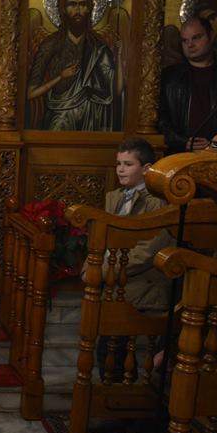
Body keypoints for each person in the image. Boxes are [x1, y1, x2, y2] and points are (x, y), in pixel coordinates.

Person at [95, 137, 173, 382]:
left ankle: (121, 398)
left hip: (140, 285)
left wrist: (103, 270)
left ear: (146, 168)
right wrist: (91, 266)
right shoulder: (115, 197)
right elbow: (100, 240)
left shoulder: (157, 203)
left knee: (111, 348)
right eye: (118, 163)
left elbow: (145, 252)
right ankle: (115, 395)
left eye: (128, 164)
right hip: (114, 281)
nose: (120, 169)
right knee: (107, 349)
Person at [27, 0, 117, 131]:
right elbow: (30, 93)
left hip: (92, 119)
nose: (78, 10)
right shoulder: (50, 45)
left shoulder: (98, 46)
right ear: (63, 8)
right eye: (72, 5)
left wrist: (119, 58)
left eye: (83, 5)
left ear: (89, 8)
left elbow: (113, 90)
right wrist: (60, 77)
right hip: (59, 117)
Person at [158, 17, 217, 154]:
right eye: (184, 40)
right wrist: (182, 142)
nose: (190, 45)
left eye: (196, 38)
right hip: (178, 154)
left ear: (211, 36)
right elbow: (160, 119)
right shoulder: (169, 77)